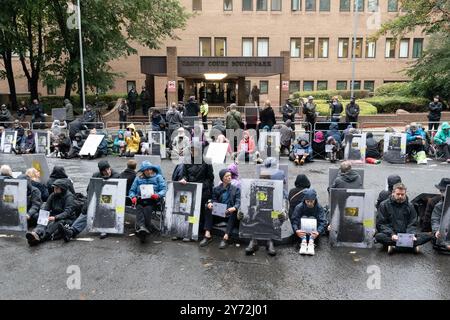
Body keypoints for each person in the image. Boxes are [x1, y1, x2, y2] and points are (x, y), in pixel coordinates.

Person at [58, 160, 120, 242]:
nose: (107, 172)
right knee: (87, 209)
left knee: (104, 207)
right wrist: (89, 201)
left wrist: (106, 180)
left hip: (112, 199)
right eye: (104, 171)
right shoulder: (96, 175)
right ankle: (72, 231)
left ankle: (104, 229)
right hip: (98, 197)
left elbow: (118, 190)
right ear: (101, 171)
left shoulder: (116, 175)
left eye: (108, 169)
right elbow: (89, 189)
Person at [240, 157, 287, 257]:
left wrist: (283, 213)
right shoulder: (259, 181)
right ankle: (254, 240)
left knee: (277, 215)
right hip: (261, 203)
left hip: (274, 205)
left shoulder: (279, 179)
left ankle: (270, 240)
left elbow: (284, 200)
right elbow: (249, 199)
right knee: (255, 211)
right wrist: (243, 210)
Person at [375, 183, 432, 254]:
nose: (400, 196)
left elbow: (413, 223)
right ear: (393, 193)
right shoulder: (384, 205)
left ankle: (394, 247)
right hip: (393, 235)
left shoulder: (410, 206)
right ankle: (411, 247)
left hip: (406, 235)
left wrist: (411, 235)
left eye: (402, 194)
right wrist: (392, 234)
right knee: (378, 236)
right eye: (398, 194)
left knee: (428, 236)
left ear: (405, 194)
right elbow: (381, 224)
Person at [179, 143, 214, 241]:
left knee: (199, 211)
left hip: (203, 190)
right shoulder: (187, 160)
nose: (193, 152)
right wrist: (184, 179)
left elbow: (210, 178)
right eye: (191, 150)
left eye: (195, 150)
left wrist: (201, 186)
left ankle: (197, 231)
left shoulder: (207, 161)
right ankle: (191, 231)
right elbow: (184, 175)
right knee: (190, 211)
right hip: (190, 189)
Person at [25, 179, 76, 247]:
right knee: (43, 219)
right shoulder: (53, 195)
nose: (54, 189)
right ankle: (36, 232)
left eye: (57, 188)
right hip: (54, 215)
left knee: (55, 224)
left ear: (62, 189)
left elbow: (67, 212)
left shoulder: (69, 197)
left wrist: (55, 217)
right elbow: (47, 207)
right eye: (54, 188)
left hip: (67, 218)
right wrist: (44, 216)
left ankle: (40, 238)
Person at [129, 161, 167, 243]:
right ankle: (143, 228)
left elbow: (164, 189)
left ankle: (143, 227)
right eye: (147, 170)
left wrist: (158, 195)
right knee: (139, 207)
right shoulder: (138, 178)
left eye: (150, 170)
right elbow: (132, 191)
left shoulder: (158, 177)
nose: (149, 171)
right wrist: (133, 197)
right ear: (143, 171)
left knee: (147, 208)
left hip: (154, 200)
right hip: (141, 199)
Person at [203, 170, 241, 249]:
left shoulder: (235, 189)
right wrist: (210, 203)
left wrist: (234, 207)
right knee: (207, 207)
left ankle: (226, 237)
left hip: (229, 214)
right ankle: (207, 235)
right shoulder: (216, 189)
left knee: (234, 211)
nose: (229, 177)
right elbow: (213, 200)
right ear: (222, 178)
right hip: (219, 213)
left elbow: (238, 201)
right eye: (226, 176)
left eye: (230, 175)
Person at [291, 189, 327, 256]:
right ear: (304, 200)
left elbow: (323, 221)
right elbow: (294, 220)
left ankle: (311, 241)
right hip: (302, 230)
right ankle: (303, 241)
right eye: (307, 201)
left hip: (314, 231)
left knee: (312, 218)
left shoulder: (319, 208)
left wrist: (318, 232)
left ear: (315, 200)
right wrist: (296, 230)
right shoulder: (299, 207)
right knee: (303, 217)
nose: (310, 203)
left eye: (311, 201)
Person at [431, 183, 450, 252]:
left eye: (443, 191)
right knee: (435, 239)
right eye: (441, 191)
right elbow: (435, 220)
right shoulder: (439, 206)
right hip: (444, 233)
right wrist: (436, 231)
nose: (441, 193)